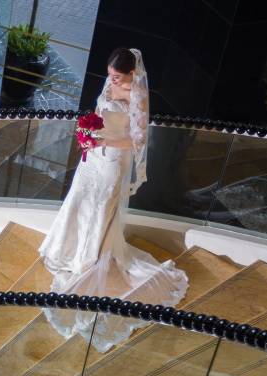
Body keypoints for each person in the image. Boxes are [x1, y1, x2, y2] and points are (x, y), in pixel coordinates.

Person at [38, 47, 188, 350]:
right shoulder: (109, 84)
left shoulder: (138, 96)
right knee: (79, 200)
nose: (112, 80)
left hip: (113, 160)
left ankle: (89, 258)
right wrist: (87, 131)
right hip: (94, 156)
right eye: (110, 75)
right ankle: (68, 249)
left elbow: (137, 139)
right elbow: (98, 113)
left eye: (117, 76)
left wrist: (104, 140)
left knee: (101, 207)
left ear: (132, 74)